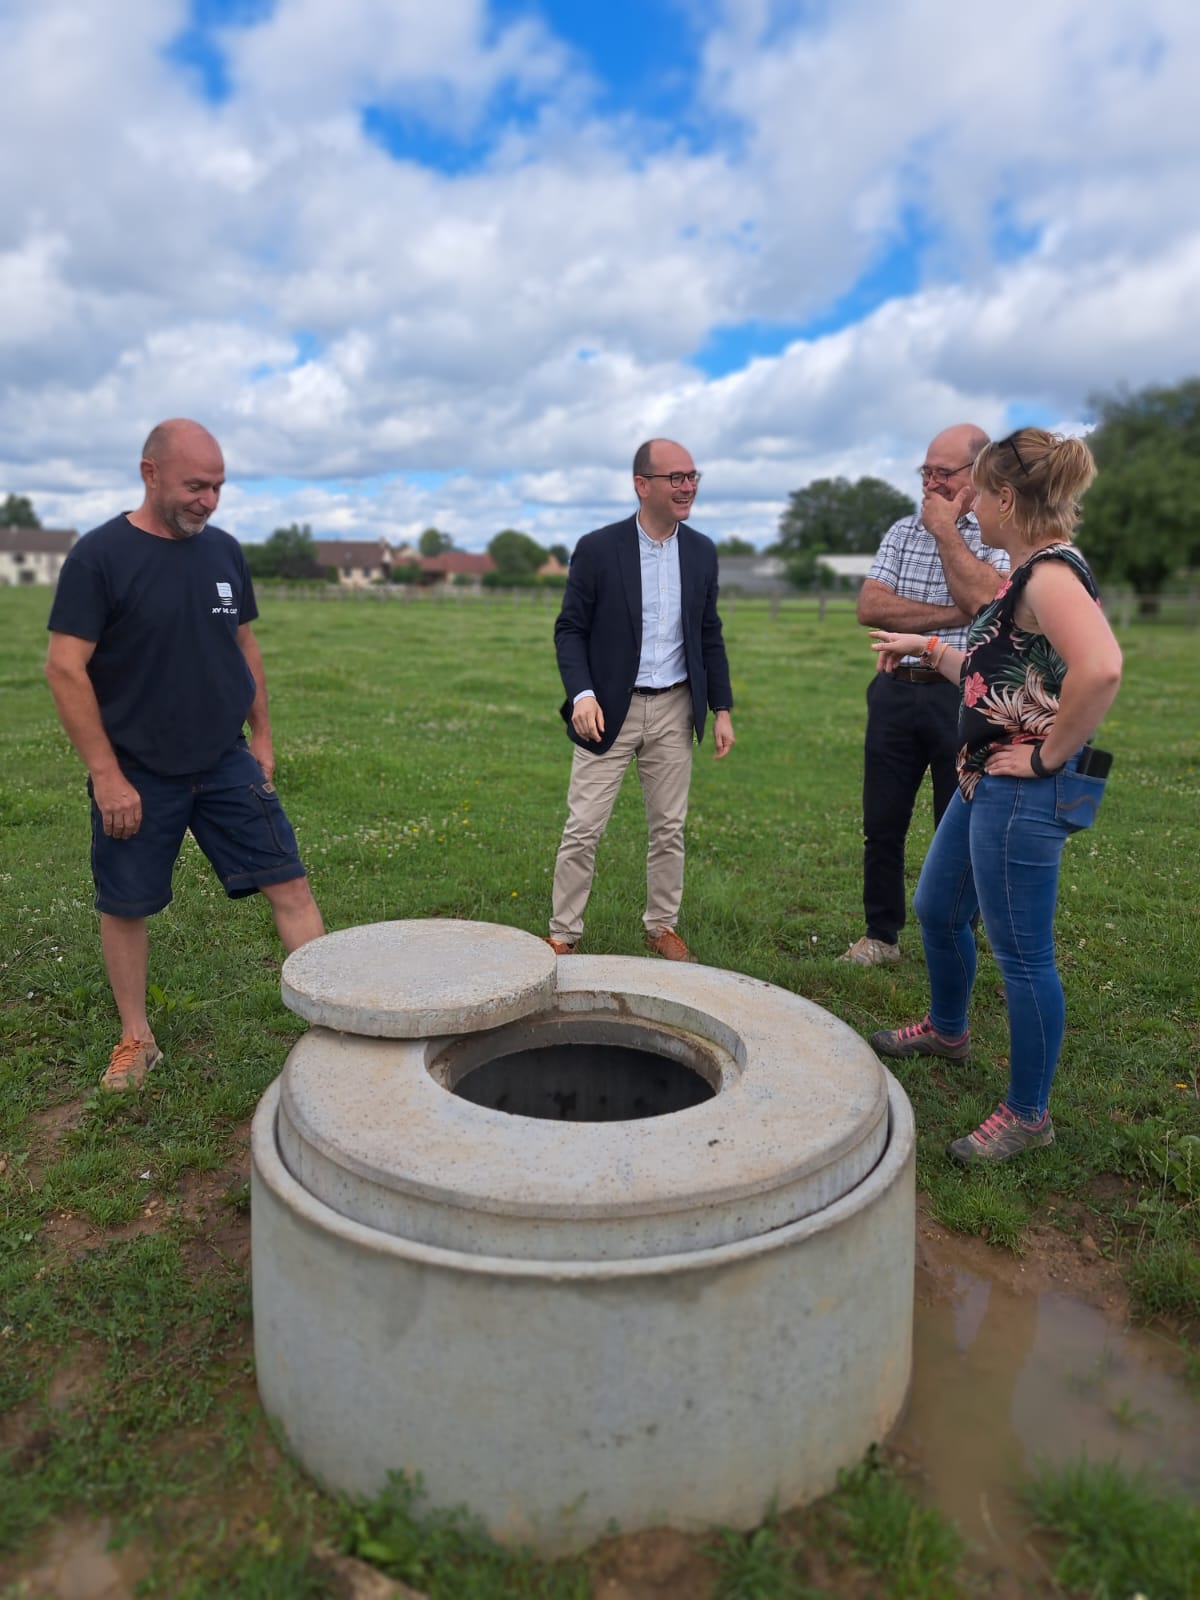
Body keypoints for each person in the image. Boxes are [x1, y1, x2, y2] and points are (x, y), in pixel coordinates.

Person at [45, 419, 325, 1092]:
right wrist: (107, 777)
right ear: (150, 475)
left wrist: (262, 735)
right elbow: (64, 668)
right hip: (136, 771)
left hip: (224, 759)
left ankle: (336, 1025)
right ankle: (135, 1039)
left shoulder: (224, 552)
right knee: (127, 903)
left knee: (289, 883)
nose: (208, 500)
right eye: (195, 485)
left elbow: (245, 649)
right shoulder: (99, 557)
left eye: (219, 486)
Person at [867, 429, 1122, 1163]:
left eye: (976, 489)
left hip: (1022, 795)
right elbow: (996, 682)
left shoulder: (1049, 576)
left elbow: (1100, 668)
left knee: (1024, 959)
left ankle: (1028, 1114)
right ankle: (949, 1031)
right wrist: (928, 649)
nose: (967, 502)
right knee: (936, 911)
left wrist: (1046, 757)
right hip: (985, 781)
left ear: (1005, 498)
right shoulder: (1023, 573)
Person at [547, 438, 735, 962]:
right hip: (606, 711)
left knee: (669, 828)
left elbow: (708, 633)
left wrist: (721, 709)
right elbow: (569, 630)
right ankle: (563, 934)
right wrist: (582, 694)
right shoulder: (598, 549)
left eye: (693, 476)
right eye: (676, 477)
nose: (688, 486)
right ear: (641, 485)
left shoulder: (701, 551)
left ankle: (661, 928)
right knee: (583, 828)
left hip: (675, 707)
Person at [841, 424, 1009, 965]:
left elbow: (988, 598)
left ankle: (954, 937)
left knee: (956, 823)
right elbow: (871, 607)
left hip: (961, 693)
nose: (931, 482)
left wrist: (946, 533)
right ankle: (880, 937)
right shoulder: (900, 531)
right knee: (882, 822)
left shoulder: (997, 535)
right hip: (895, 689)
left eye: (944, 473)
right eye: (926, 472)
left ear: (977, 476)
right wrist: (947, 618)